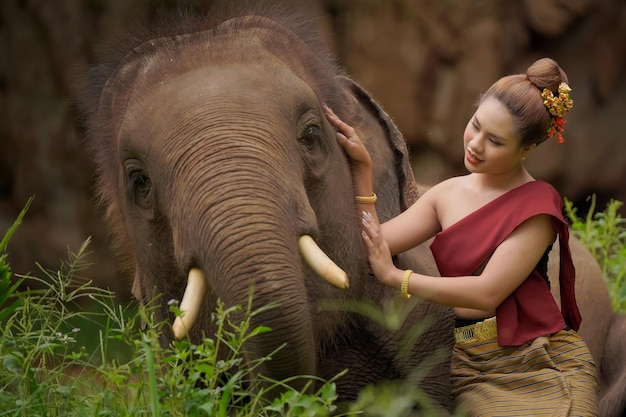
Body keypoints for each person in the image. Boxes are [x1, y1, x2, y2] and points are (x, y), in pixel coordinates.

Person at [324, 58, 599, 416]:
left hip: (542, 361)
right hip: (477, 367)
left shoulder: (538, 204)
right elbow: (374, 244)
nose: (476, 144)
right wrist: (363, 171)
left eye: (495, 141)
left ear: (526, 149)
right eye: (475, 126)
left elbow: (487, 294)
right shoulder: (446, 195)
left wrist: (398, 278)